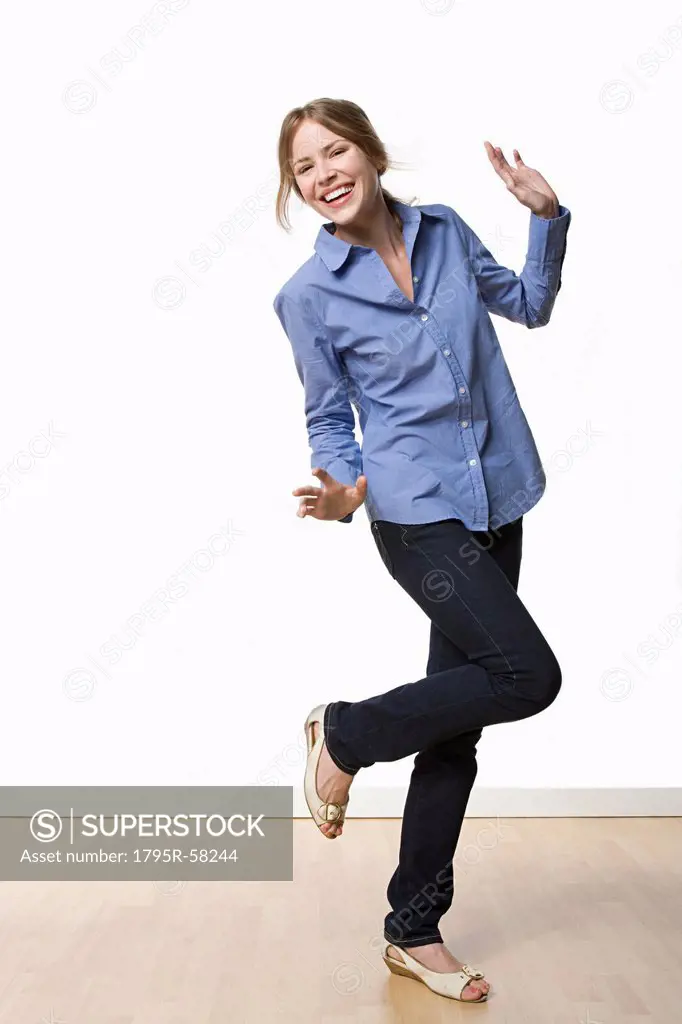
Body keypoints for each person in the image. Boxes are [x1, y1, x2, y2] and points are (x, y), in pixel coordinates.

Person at [272, 97, 571, 1004]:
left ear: (369, 152)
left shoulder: (442, 231)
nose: (322, 175)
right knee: (529, 675)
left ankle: (413, 927)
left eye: (333, 152)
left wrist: (545, 218)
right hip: (415, 515)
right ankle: (348, 731)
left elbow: (529, 305)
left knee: (458, 727)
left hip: (499, 493)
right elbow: (331, 418)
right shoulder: (308, 297)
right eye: (302, 168)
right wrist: (340, 485)